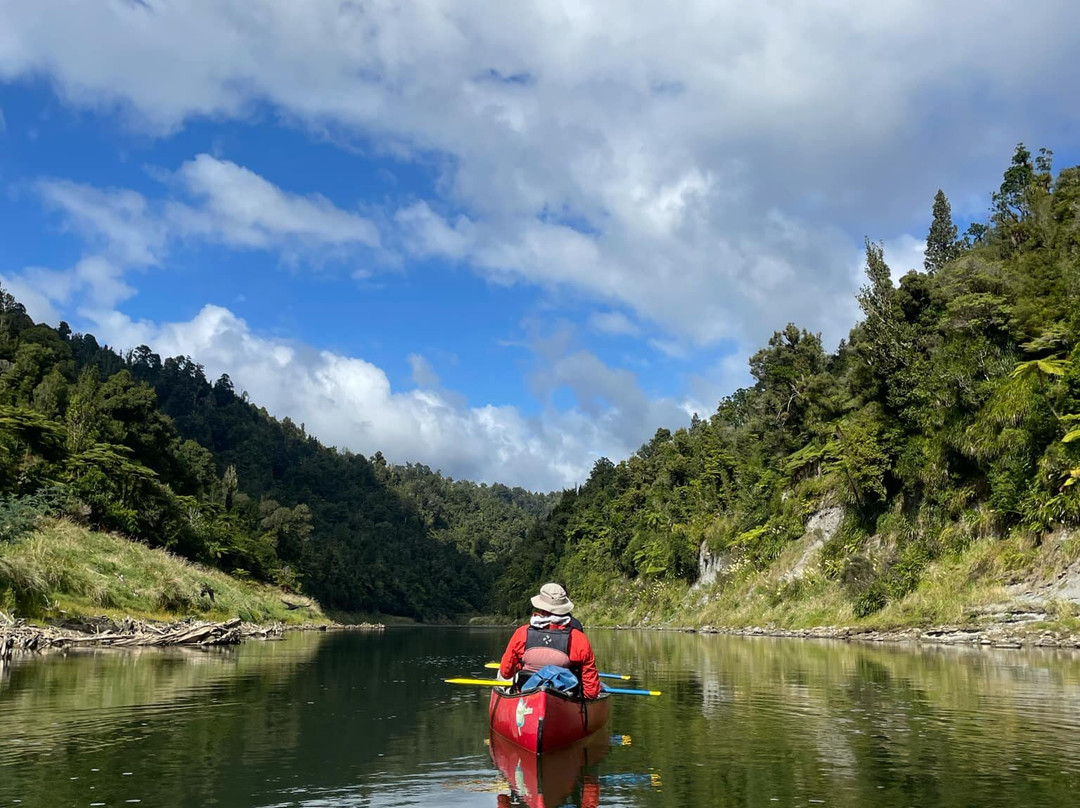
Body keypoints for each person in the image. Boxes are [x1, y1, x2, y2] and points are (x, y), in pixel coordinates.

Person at [499, 582, 601, 700]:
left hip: (526, 697)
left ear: (541, 607)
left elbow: (505, 673)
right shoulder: (578, 638)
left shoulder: (521, 633)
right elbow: (591, 692)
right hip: (563, 701)